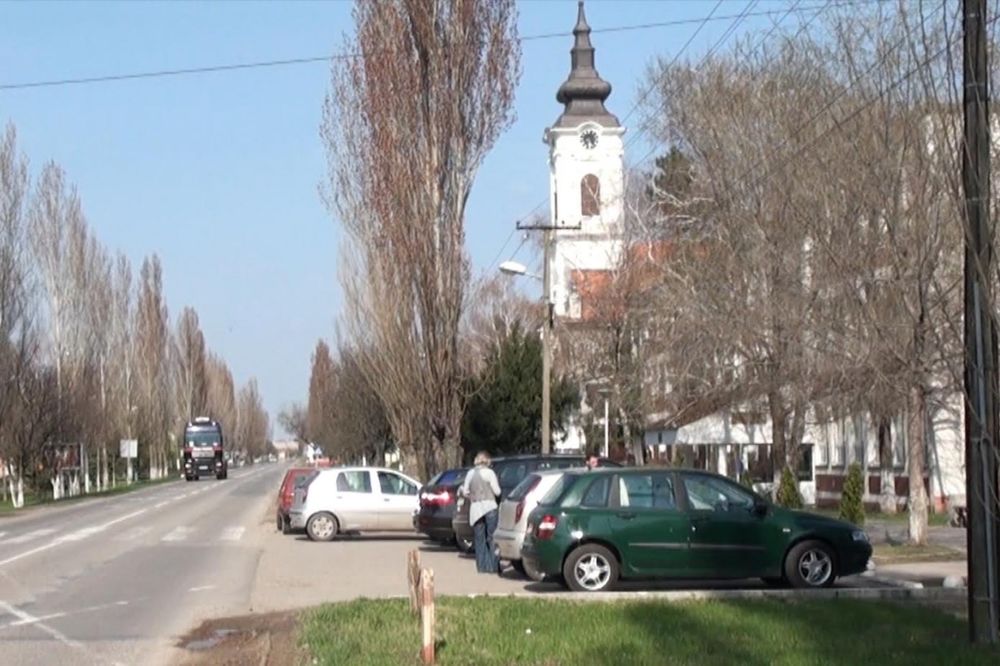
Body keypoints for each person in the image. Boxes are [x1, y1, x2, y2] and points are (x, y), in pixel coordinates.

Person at [461, 451, 501, 574]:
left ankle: (481, 566)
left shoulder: (470, 473)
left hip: (476, 508)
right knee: (492, 538)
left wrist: (472, 496)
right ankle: (493, 566)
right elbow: (497, 492)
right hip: (489, 506)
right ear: (488, 461)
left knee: (479, 539)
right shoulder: (490, 473)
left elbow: (465, 491)